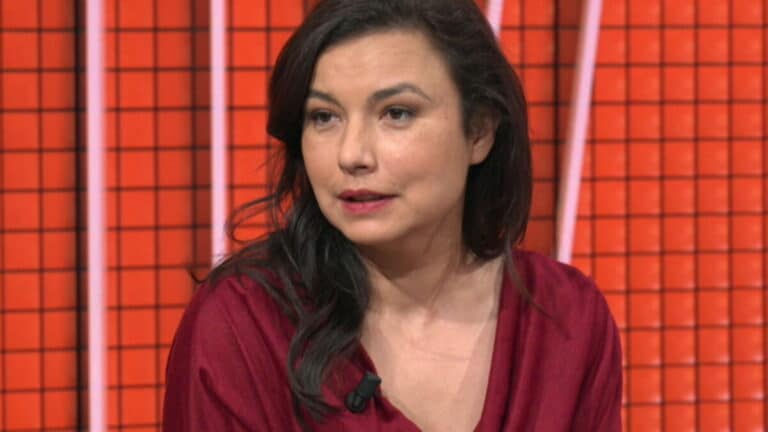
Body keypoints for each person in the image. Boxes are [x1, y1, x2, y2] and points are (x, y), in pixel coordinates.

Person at [162, 0, 622, 430]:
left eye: (396, 113)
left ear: (479, 131)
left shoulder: (567, 319)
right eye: (324, 117)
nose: (352, 155)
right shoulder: (242, 325)